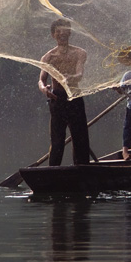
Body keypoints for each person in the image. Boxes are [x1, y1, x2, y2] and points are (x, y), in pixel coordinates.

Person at [38, 18, 91, 166]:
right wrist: (44, 89)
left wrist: (71, 78)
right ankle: (53, 171)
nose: (62, 33)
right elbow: (41, 79)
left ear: (70, 32)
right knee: (57, 140)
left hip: (75, 97)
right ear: (53, 35)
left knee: (80, 138)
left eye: (65, 30)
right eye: (58, 31)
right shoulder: (48, 57)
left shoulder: (79, 53)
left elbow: (79, 75)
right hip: (57, 98)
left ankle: (82, 170)